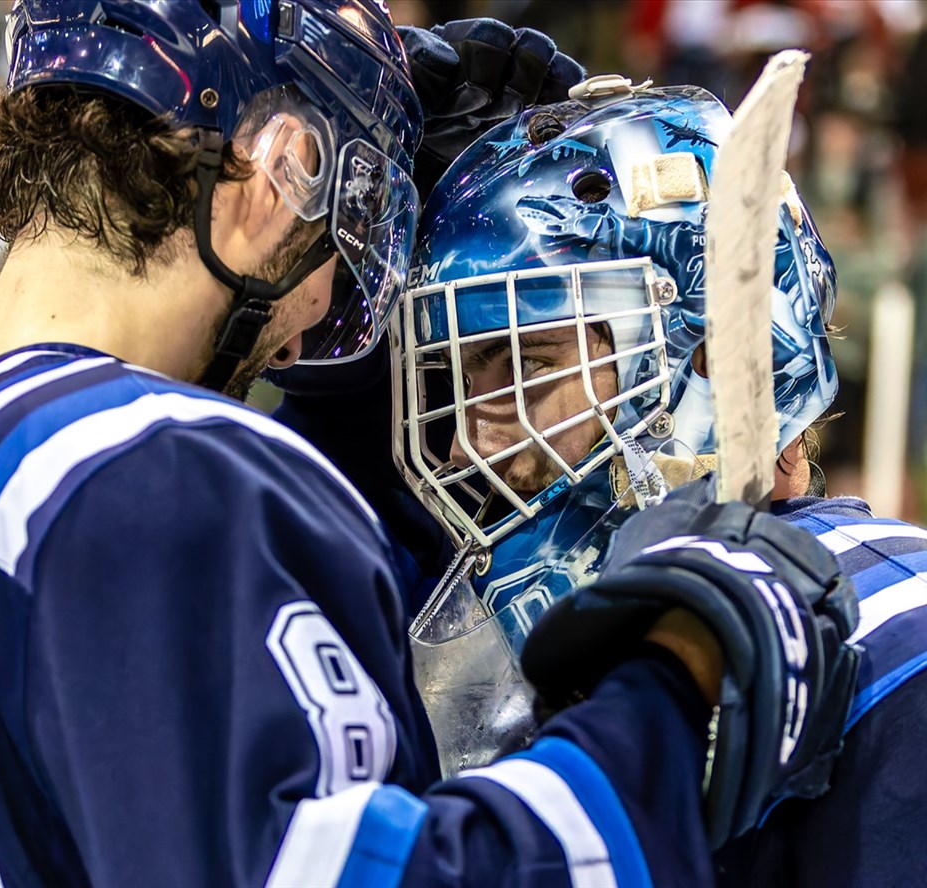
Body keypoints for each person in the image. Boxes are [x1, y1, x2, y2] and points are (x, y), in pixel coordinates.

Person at [0, 4, 857, 885]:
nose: (339, 311)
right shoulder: (156, 472)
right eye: (361, 220)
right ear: (284, 164)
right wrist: (671, 680)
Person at [281, 78, 925, 884]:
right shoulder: (577, 642)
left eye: (523, 365)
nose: (458, 447)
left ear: (707, 359)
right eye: (459, 385)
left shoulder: (901, 639)